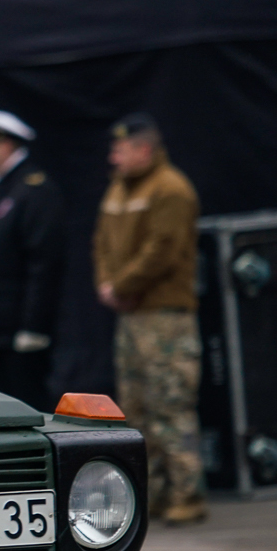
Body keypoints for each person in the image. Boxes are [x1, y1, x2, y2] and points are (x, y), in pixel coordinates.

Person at [93, 112, 205, 524]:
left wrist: (120, 286)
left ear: (144, 149)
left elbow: (163, 250)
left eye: (120, 150)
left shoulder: (170, 189)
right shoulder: (118, 189)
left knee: (171, 405)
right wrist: (108, 284)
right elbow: (101, 242)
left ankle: (187, 494)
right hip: (131, 317)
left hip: (165, 318)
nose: (113, 158)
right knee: (136, 409)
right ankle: (153, 494)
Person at [0, 107, 64, 410]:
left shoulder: (34, 191)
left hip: (19, 336)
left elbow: (44, 265)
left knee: (28, 410)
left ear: (5, 144)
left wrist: (34, 327)